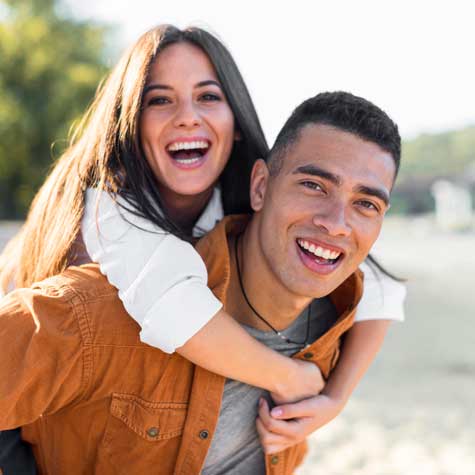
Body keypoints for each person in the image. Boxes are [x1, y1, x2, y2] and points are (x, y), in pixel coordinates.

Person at [0, 25, 404, 472]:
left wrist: (333, 397)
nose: (188, 116)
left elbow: (380, 286)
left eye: (208, 96)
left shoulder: (253, 208)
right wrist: (291, 378)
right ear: (128, 125)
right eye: (160, 99)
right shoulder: (104, 218)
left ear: (235, 125)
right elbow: (169, 304)